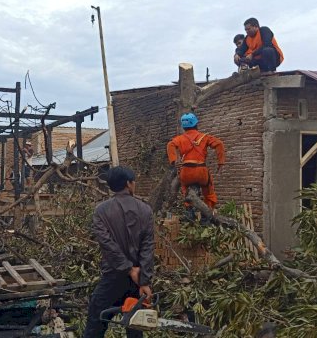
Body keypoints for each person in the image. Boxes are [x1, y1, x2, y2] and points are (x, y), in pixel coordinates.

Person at [84, 166, 154, 338]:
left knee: (95, 323)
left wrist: (128, 269)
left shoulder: (101, 211)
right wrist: (143, 280)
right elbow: (147, 247)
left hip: (112, 278)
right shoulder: (145, 210)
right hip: (136, 283)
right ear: (129, 184)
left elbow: (108, 245)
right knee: (135, 328)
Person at [167, 113, 225, 210]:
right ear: (196, 124)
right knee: (209, 190)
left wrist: (174, 161)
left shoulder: (179, 139)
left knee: (185, 188)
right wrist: (220, 162)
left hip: (186, 173)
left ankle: (189, 210)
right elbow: (219, 144)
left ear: (184, 127)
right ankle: (208, 211)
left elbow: (170, 145)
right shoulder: (204, 137)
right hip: (201, 172)